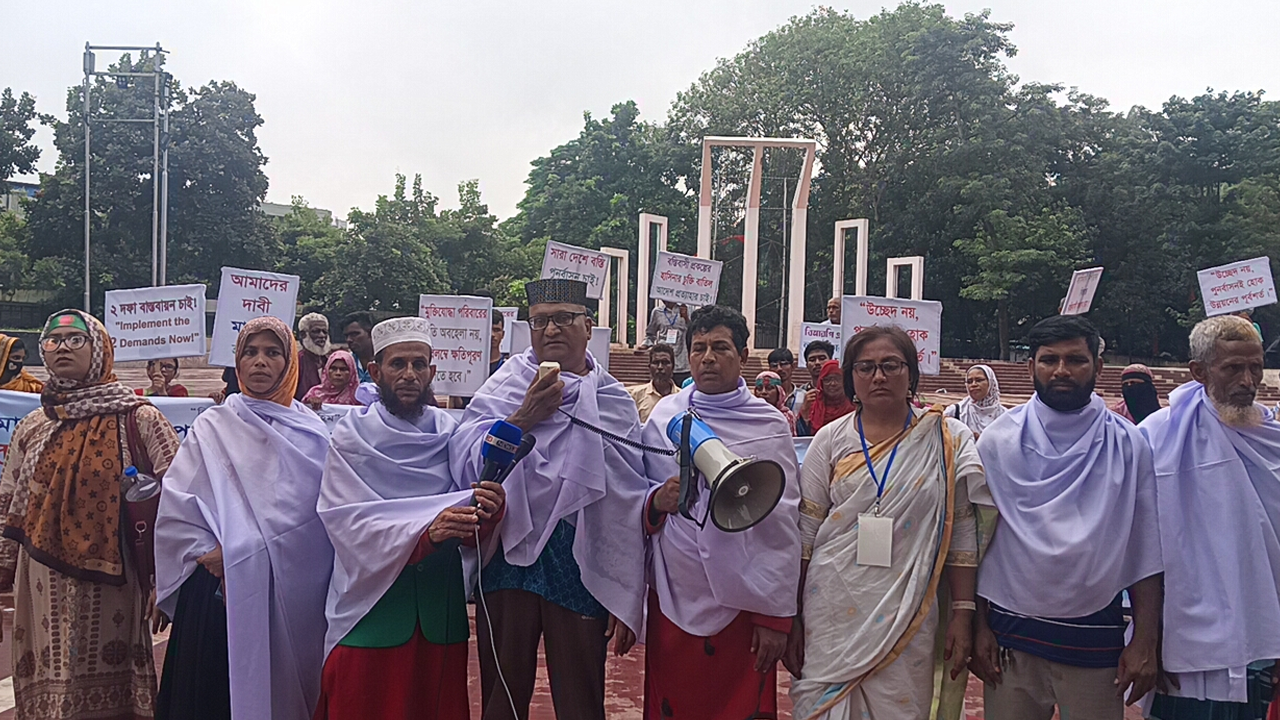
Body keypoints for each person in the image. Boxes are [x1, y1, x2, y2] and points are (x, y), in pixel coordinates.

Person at [449, 278, 648, 720]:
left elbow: (628, 499)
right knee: (501, 697)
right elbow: (465, 464)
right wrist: (524, 416)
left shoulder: (613, 401)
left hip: (579, 561)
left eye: (563, 318)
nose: (551, 329)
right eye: (540, 321)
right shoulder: (504, 386)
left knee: (581, 699)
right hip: (508, 555)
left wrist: (624, 589)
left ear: (588, 327)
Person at [971, 314, 1163, 720]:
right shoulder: (997, 442)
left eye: (1075, 359)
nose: (1061, 370)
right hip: (1010, 637)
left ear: (1098, 366)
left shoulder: (1129, 444)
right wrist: (978, 626)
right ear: (1031, 366)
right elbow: (978, 541)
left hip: (1095, 637)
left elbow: (1146, 548)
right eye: (1049, 360)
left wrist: (1145, 639)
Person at [313, 317, 507, 719]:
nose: (409, 375)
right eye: (397, 364)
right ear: (375, 371)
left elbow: (470, 519)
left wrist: (489, 510)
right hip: (369, 610)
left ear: (432, 372)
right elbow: (345, 524)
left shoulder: (453, 433)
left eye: (419, 364)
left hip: (440, 615)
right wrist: (425, 536)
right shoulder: (351, 437)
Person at [787, 325, 983, 719]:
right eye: (866, 367)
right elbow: (806, 532)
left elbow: (962, 529)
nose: (878, 376)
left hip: (909, 607)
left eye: (891, 365)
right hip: (831, 603)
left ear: (911, 373)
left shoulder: (947, 438)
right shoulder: (830, 439)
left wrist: (963, 613)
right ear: (851, 377)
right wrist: (793, 616)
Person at [0, 309, 180, 719]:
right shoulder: (33, 425)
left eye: (75, 339)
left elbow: (182, 499)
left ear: (99, 348)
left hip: (115, 584)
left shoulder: (140, 418)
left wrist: (166, 580)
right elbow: (8, 503)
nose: (62, 347)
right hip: (40, 583)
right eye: (53, 339)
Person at [155, 316, 335, 720]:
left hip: (291, 593)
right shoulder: (213, 425)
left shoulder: (312, 434)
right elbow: (181, 503)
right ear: (237, 362)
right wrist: (208, 550)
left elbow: (319, 520)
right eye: (250, 352)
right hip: (217, 591)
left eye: (272, 353)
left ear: (289, 363)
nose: (260, 362)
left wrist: (247, 550)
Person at [640, 305, 801, 719]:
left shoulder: (767, 424)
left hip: (745, 602)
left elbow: (782, 524)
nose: (707, 358)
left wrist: (775, 616)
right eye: (698, 348)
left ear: (743, 356)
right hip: (673, 593)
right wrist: (656, 501)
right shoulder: (665, 417)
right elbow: (634, 498)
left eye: (720, 348)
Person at [1140, 315, 1280, 719]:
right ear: (1199, 371)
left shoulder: (1272, 438)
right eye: (1233, 368)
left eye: (1255, 367)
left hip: (1264, 633)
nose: (1248, 381)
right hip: (1186, 637)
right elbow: (1141, 544)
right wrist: (1148, 637)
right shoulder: (1157, 436)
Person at [797, 359, 855, 437]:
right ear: (821, 383)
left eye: (838, 379)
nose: (833, 383)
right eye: (827, 380)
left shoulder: (855, 407)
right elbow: (802, 438)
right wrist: (805, 416)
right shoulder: (811, 407)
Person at [640, 300, 691, 386]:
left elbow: (694, 332)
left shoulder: (687, 309)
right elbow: (650, 334)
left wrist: (686, 318)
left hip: (682, 363)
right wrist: (644, 346)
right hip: (663, 362)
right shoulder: (657, 312)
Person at [948, 364, 1004, 439]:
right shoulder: (955, 412)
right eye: (969, 381)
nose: (973, 384)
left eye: (979, 380)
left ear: (991, 382)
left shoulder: (1004, 415)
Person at [627, 342, 677, 423]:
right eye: (656, 363)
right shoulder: (636, 396)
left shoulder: (682, 397)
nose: (660, 367)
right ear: (649, 367)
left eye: (665, 363)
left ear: (673, 367)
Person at [297, 312, 334, 400]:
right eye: (316, 331)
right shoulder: (296, 362)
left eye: (324, 332)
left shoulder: (330, 361)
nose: (322, 336)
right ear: (303, 335)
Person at [754, 370, 798, 435]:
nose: (763, 392)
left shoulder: (787, 416)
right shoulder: (750, 414)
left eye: (769, 388)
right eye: (759, 389)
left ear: (779, 392)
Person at [341, 311, 376, 383]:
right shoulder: (345, 363)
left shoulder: (385, 362)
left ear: (371, 333)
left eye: (354, 334)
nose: (349, 340)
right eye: (346, 336)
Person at [767, 347, 803, 414]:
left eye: (783, 364)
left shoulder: (803, 396)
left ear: (793, 366)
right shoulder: (766, 396)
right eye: (774, 365)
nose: (779, 369)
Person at [490, 310, 508, 377]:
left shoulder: (508, 366)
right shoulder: (472, 365)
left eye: (496, 330)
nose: (492, 334)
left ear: (503, 334)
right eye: (488, 330)